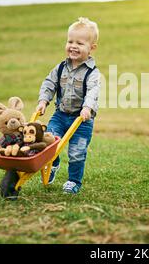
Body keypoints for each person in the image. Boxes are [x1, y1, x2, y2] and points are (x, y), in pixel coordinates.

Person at [36, 17, 101, 194]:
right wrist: (43, 101)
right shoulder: (60, 68)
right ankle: (53, 164)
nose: (73, 46)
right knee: (49, 142)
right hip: (60, 115)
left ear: (91, 48)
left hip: (81, 121)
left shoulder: (92, 73)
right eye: (70, 41)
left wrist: (87, 108)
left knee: (77, 152)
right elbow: (49, 84)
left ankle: (73, 181)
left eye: (79, 43)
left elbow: (93, 92)